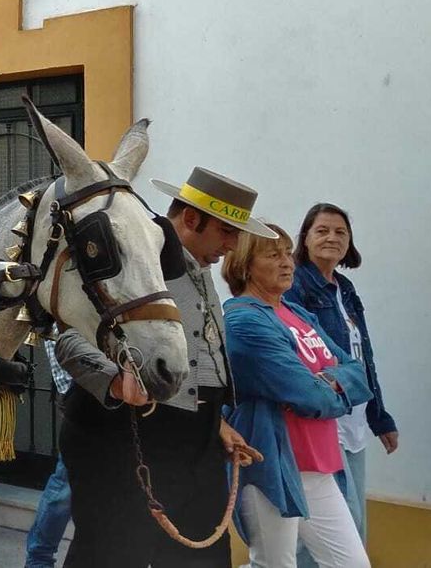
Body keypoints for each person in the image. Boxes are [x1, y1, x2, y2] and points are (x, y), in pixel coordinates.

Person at [52, 167, 270, 567]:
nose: (234, 244)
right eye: (226, 231)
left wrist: (213, 422)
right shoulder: (133, 256)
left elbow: (198, 352)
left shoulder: (199, 267)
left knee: (199, 558)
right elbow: (67, 336)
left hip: (194, 441)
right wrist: (114, 381)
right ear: (190, 219)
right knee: (112, 556)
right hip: (123, 437)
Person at [221, 224, 372, 568]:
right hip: (271, 461)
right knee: (275, 564)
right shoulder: (244, 320)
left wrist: (326, 384)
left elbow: (356, 371)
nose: (287, 262)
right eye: (273, 255)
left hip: (318, 464)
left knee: (352, 564)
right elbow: (308, 396)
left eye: (288, 252)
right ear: (244, 264)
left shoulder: (296, 313)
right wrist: (328, 390)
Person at [285, 204, 395, 562]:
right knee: (330, 526)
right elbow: (299, 353)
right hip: (322, 420)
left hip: (355, 421)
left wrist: (380, 417)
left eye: (340, 232)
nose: (332, 238)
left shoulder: (344, 288)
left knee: (348, 520)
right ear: (305, 238)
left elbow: (363, 357)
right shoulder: (295, 284)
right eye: (322, 230)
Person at [23, 334, 75, 568]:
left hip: (124, 401)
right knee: (63, 490)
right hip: (84, 399)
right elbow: (56, 337)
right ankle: (38, 560)